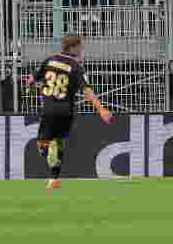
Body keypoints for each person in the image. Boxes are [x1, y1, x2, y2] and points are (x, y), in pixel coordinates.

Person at [33, 34, 113, 190]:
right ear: (73, 47)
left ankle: (50, 153)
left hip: (49, 109)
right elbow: (87, 90)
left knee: (42, 144)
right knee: (59, 141)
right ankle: (54, 179)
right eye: (81, 46)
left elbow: (35, 78)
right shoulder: (76, 67)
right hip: (67, 111)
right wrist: (101, 109)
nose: (82, 49)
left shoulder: (49, 60)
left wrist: (32, 85)